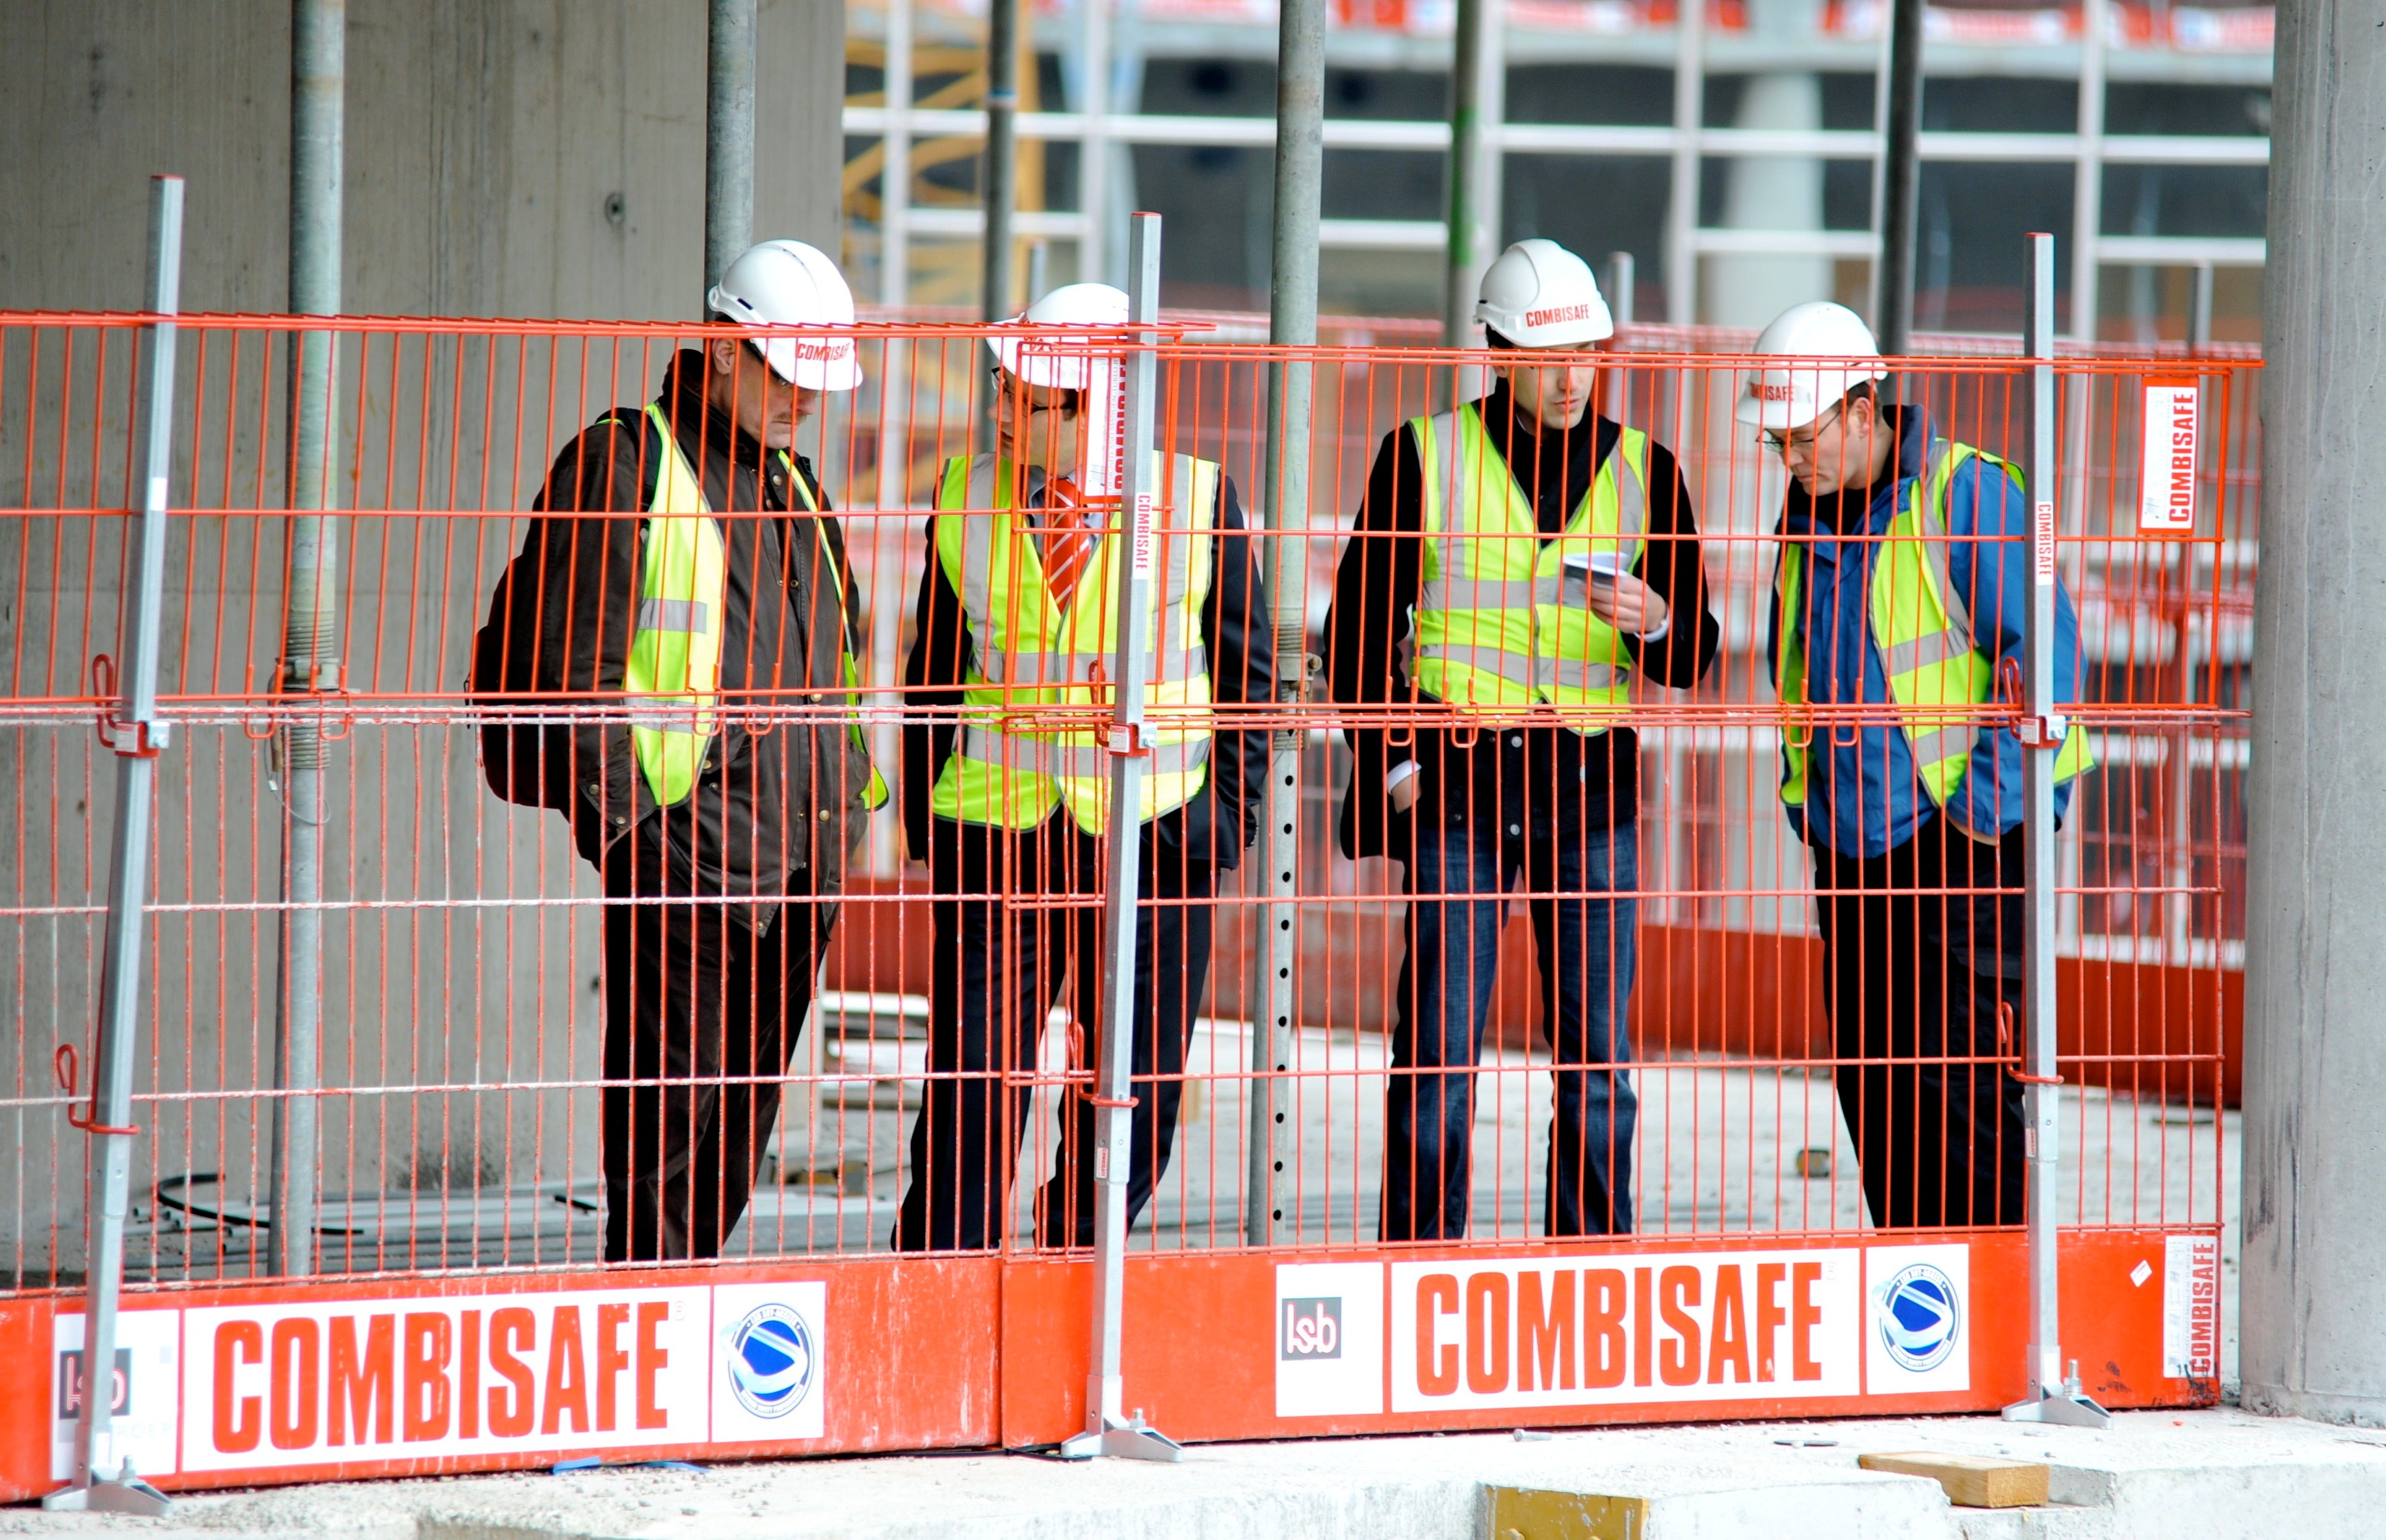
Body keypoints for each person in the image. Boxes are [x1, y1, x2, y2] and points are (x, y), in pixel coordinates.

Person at [473, 239, 885, 1262]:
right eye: (787, 377)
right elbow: (579, 664)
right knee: (668, 1109)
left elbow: (834, 660)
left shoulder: (796, 487)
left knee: (741, 1114)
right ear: (721, 347)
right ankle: (652, 1300)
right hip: (686, 850)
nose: (804, 402)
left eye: (817, 384)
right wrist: (636, 832)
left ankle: (688, 1286)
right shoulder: (623, 465)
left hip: (800, 855)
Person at [1326, 239, 1718, 1241]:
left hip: (1587, 794)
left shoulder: (1647, 472)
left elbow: (1694, 655)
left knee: (1598, 1063)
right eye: (1547, 355)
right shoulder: (1423, 456)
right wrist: (1394, 772)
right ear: (1496, 351)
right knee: (1439, 1052)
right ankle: (1418, 1260)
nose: (1569, 376)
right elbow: (1359, 631)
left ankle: (1587, 1261)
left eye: (1586, 353)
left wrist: (1659, 621)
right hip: (1456, 790)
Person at [893, 282, 1273, 1251]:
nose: (999, 412)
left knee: (1132, 1090)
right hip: (1001, 829)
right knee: (973, 1083)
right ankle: (946, 1271)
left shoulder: (1196, 500)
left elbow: (1248, 675)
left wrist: (1225, 820)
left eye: (1025, 398)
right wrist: (928, 824)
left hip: (1158, 835)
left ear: (1096, 407)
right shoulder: (960, 496)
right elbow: (932, 671)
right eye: (1001, 390)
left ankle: (1074, 1262)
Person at [1743, 299, 2092, 1229]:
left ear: (1863, 409)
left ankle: (1986, 1303)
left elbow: (2045, 668)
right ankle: (1917, 1300)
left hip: (1964, 848)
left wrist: (1976, 816)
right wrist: (1811, 811)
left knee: (1964, 1101)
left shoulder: (1966, 497)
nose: (1787, 458)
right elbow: (1796, 676)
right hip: (1853, 853)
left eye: (1800, 435)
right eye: (1774, 441)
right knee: (1877, 1094)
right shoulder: (1802, 520)